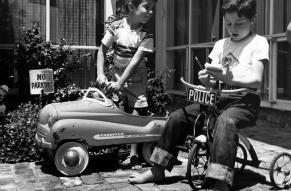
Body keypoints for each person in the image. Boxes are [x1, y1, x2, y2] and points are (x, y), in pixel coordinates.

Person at [128, 0, 269, 190]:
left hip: (245, 101)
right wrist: (206, 79)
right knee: (178, 117)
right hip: (218, 98)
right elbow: (211, 77)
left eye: (239, 23)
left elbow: (257, 79)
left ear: (253, 19)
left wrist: (230, 77)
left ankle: (221, 180)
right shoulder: (221, 44)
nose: (232, 29)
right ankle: (158, 168)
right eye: (228, 23)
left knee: (225, 122)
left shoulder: (258, 42)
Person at [96, 0, 157, 169]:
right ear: (131, 7)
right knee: (118, 108)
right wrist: (101, 74)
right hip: (116, 71)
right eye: (147, 7)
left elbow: (135, 62)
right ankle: (114, 148)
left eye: (152, 9)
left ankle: (134, 154)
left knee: (137, 109)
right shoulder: (116, 27)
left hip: (136, 75)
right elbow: (101, 50)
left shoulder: (146, 33)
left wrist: (120, 82)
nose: (151, 12)